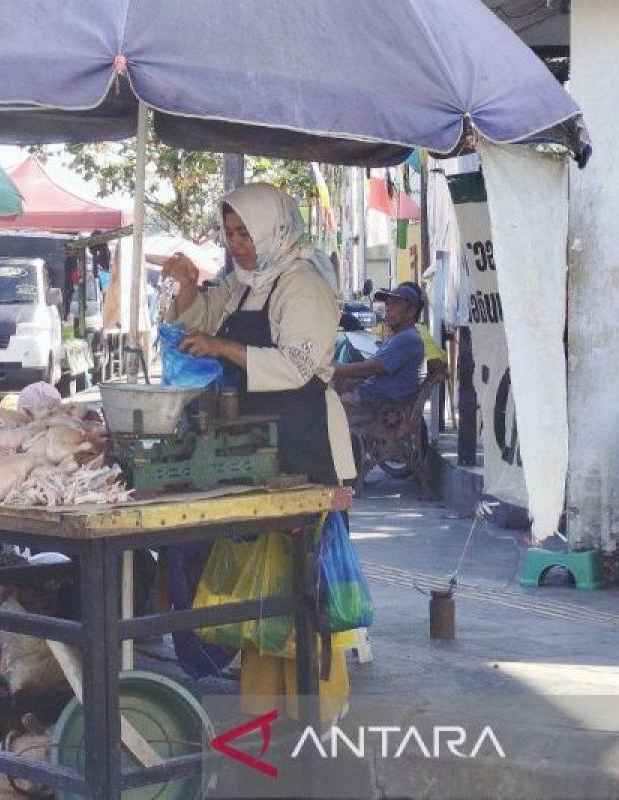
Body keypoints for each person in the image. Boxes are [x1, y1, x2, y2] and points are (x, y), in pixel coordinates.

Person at [162, 182, 356, 722]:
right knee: (262, 594)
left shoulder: (303, 285)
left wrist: (224, 347)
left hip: (305, 444)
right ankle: (265, 715)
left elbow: (297, 364)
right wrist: (184, 287)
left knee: (304, 589)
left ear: (273, 227)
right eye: (229, 233)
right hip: (257, 443)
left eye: (245, 232)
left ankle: (319, 716)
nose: (238, 244)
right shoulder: (242, 284)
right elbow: (199, 319)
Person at [333, 281, 427, 434]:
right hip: (374, 398)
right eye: (388, 304)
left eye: (395, 304)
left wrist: (332, 368)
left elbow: (368, 369)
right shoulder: (399, 336)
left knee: (324, 411)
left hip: (380, 406)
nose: (388, 309)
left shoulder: (407, 338)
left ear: (411, 311)